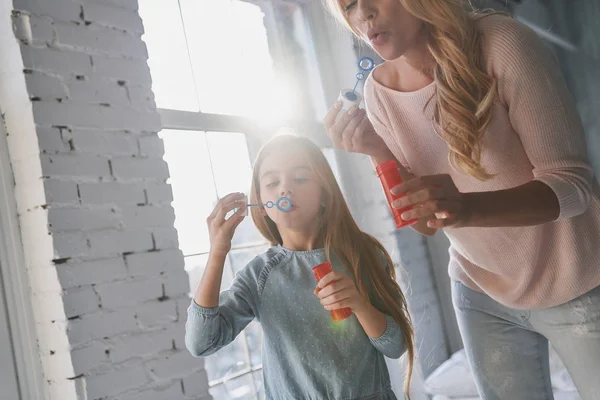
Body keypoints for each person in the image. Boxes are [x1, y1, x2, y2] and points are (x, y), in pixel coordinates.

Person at [323, 1, 600, 399]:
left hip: (574, 278)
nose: (363, 12)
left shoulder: (502, 43)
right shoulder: (376, 95)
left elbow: (572, 186)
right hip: (479, 291)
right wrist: (376, 150)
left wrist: (467, 209)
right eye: (348, 5)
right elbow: (423, 223)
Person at [185, 134, 415, 399]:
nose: (285, 189)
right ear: (260, 202)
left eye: (301, 178)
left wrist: (358, 303)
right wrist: (218, 252)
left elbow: (395, 346)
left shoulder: (363, 254)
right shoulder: (260, 275)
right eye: (272, 182)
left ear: (325, 194)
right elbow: (201, 342)